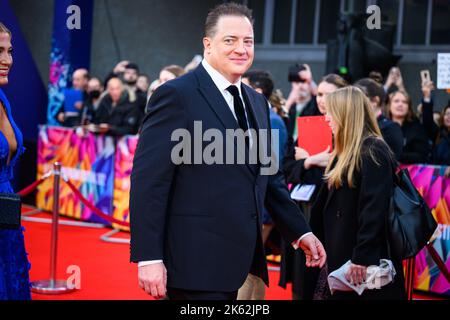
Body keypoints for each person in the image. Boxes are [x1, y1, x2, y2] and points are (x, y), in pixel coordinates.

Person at [130, 3, 326, 301]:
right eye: (230, 40)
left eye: (247, 41)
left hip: (242, 262)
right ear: (208, 45)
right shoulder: (176, 95)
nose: (241, 49)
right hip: (192, 263)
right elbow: (149, 182)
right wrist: (149, 257)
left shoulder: (257, 103)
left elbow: (268, 177)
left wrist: (300, 232)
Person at [311, 86, 406, 300]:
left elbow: (374, 209)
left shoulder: (373, 150)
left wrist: (362, 256)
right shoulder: (344, 151)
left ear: (346, 114)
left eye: (330, 112)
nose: (326, 119)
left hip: (362, 261)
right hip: (340, 254)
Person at [280, 74, 347, 300]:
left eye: (328, 95)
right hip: (304, 206)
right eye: (319, 94)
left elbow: (344, 167)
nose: (322, 100)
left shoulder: (346, 128)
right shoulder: (309, 122)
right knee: (303, 274)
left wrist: (319, 160)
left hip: (333, 212)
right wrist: (312, 160)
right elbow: (288, 166)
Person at [0, 22, 31, 300]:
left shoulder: (3, 99)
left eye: (9, 51)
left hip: (6, 212)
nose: (6, 60)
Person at [355, 78, 403, 160]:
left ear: (375, 101)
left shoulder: (390, 128)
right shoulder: (355, 125)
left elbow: (387, 161)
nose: (353, 103)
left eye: (358, 99)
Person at [386, 90, 431, 164]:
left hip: (411, 173)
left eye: (404, 102)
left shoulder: (417, 128)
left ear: (409, 108)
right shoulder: (381, 126)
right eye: (396, 101)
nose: (400, 104)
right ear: (389, 105)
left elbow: (422, 155)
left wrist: (395, 156)